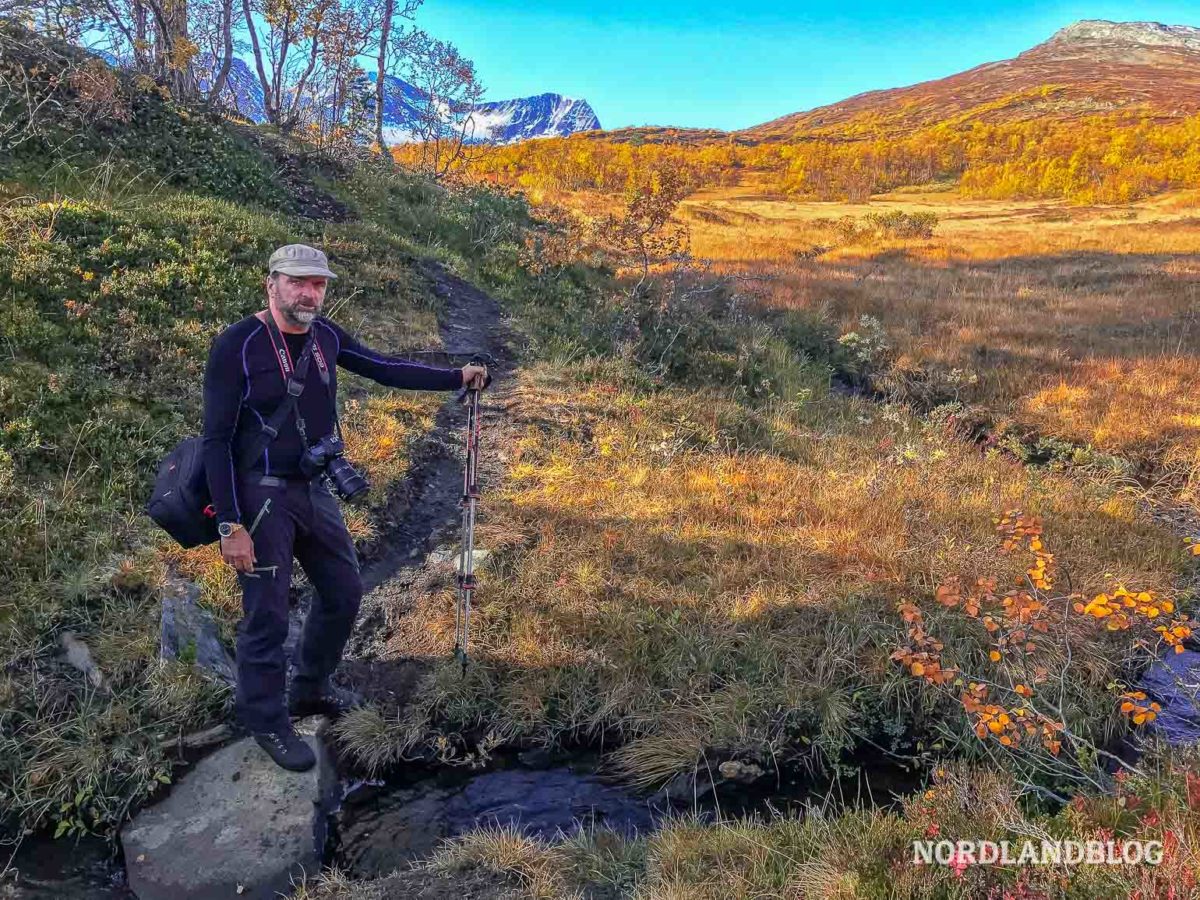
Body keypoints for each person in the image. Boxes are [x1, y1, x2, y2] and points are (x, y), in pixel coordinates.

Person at [201, 243, 488, 771]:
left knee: (343, 591)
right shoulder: (237, 346)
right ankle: (265, 719)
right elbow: (214, 442)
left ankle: (310, 686)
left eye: (319, 284)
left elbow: (383, 367)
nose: (310, 292)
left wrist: (455, 377)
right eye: (298, 282)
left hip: (312, 487)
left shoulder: (325, 336)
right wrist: (229, 523)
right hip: (260, 495)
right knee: (266, 613)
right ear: (272, 283)